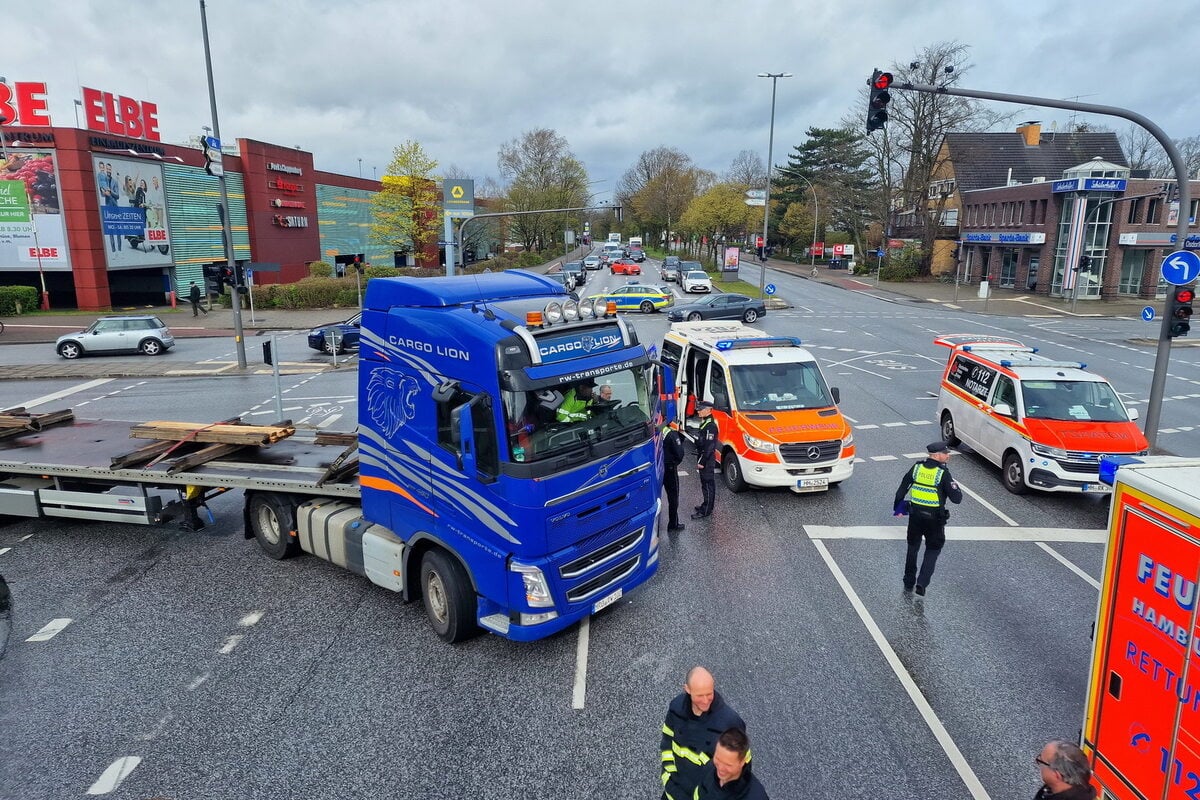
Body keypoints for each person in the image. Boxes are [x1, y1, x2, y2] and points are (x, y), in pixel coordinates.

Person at [659, 666, 745, 800]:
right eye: (699, 695)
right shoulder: (675, 709)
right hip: (673, 794)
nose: (705, 701)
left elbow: (742, 768)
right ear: (687, 689)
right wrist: (668, 778)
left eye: (709, 694)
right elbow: (666, 743)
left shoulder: (730, 722)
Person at [894, 440, 963, 595]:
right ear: (937, 455)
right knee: (933, 549)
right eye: (946, 454)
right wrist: (955, 487)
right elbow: (957, 499)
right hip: (935, 520)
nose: (948, 456)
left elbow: (901, 490)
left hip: (915, 517)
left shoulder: (916, 468)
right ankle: (922, 583)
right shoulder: (942, 473)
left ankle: (908, 580)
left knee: (912, 548)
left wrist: (898, 509)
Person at [691, 728, 768, 800]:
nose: (720, 768)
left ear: (742, 762)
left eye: (728, 765)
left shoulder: (756, 797)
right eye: (718, 759)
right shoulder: (707, 768)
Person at [692, 401, 717, 520]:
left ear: (709, 410)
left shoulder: (710, 426)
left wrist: (702, 462)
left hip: (707, 459)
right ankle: (705, 505)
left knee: (707, 485)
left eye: (701, 409)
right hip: (704, 456)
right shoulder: (705, 422)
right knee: (705, 484)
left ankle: (706, 510)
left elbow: (710, 446)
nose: (698, 411)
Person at [663, 420, 685, 532]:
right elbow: (680, 453)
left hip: (657, 467)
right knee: (673, 497)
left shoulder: (654, 431)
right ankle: (673, 524)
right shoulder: (671, 433)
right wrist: (674, 464)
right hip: (669, 468)